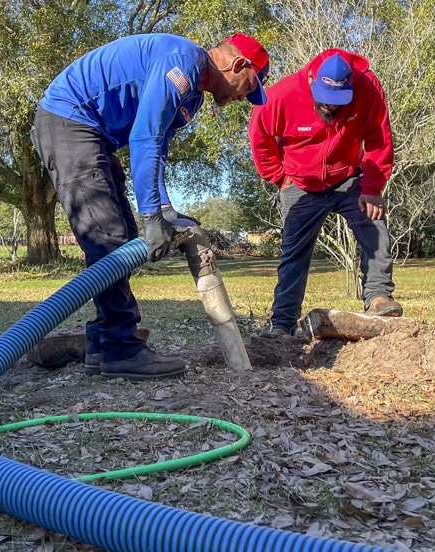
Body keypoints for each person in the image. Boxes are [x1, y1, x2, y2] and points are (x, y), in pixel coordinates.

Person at [31, 32, 270, 378]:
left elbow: (159, 146)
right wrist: (151, 215)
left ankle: (104, 347)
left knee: (123, 236)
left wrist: (165, 209)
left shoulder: (192, 96)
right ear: (237, 65)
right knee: (107, 237)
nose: (242, 97)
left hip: (93, 134)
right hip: (69, 120)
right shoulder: (183, 60)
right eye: (248, 87)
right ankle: (120, 350)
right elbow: (145, 135)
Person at [248, 48, 402, 339]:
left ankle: (379, 298)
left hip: (347, 176)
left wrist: (371, 188)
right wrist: (278, 177)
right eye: (324, 99)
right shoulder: (283, 95)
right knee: (294, 251)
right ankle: (282, 323)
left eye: (338, 101)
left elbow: (379, 139)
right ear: (311, 81)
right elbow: (260, 135)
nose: (331, 107)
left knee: (374, 226)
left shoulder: (368, 87)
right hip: (299, 182)